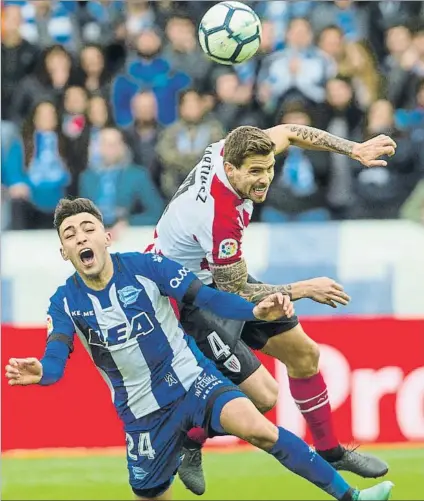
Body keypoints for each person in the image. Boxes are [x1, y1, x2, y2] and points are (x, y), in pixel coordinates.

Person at [4, 198, 394, 501]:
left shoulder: (147, 267)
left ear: (107, 237)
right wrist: (41, 372)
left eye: (88, 228)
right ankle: (186, 445)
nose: (80, 237)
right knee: (152, 493)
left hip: (194, 382)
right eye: (70, 235)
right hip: (143, 416)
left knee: (261, 430)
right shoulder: (64, 303)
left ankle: (353, 495)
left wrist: (254, 309)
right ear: (64, 253)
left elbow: (207, 298)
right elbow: (56, 360)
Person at [146, 123, 397, 494]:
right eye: (255, 173)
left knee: (305, 355)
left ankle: (330, 450)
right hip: (186, 294)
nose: (264, 180)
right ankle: (190, 437)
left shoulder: (233, 148)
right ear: (230, 170)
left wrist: (354, 149)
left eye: (269, 169)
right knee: (263, 397)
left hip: (215, 275)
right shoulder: (218, 216)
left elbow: (291, 131)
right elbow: (235, 291)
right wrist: (303, 289)